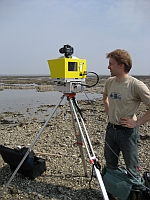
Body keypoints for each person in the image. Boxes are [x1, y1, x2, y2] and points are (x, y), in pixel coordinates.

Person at [103, 49, 150, 198]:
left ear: (121, 65)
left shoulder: (136, 85)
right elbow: (105, 97)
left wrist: (137, 122)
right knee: (110, 165)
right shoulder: (110, 82)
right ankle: (111, 190)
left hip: (127, 133)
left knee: (132, 169)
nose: (108, 67)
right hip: (111, 130)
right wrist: (109, 112)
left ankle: (136, 194)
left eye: (111, 64)